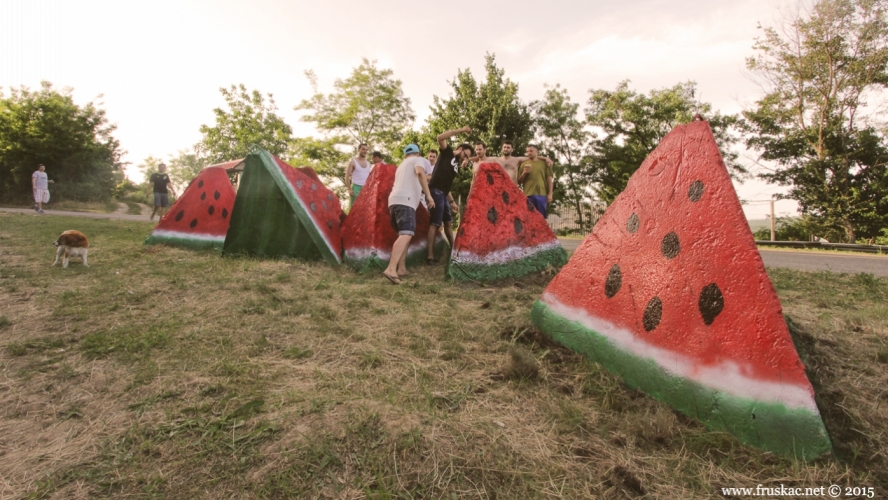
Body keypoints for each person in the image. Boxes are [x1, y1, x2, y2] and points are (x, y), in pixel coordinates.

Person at [384, 144, 435, 284]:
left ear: (405, 154)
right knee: (406, 234)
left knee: (403, 235)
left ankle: (401, 269)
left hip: (394, 202)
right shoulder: (417, 160)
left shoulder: (402, 165)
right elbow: (420, 173)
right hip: (405, 201)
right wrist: (429, 196)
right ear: (418, 153)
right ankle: (391, 269)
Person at [426, 126, 473, 264]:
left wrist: (452, 202)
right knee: (435, 223)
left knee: (448, 223)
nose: (465, 158)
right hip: (435, 191)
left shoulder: (456, 166)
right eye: (466, 155)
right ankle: (430, 257)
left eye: (468, 157)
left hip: (443, 194)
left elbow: (447, 185)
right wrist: (462, 130)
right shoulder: (448, 153)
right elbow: (440, 138)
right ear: (460, 149)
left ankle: (454, 253)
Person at [466, 140, 553, 183]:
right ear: (502, 149)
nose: (506, 149)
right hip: (500, 189)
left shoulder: (517, 159)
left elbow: (532, 156)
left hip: (513, 188)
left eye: (508, 147)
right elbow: (480, 157)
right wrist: (468, 159)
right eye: (504, 147)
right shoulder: (496, 160)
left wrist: (546, 158)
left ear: (512, 149)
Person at [518, 144, 554, 218]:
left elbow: (549, 179)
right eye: (527, 151)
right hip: (527, 195)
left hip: (541, 194)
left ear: (537, 151)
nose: (529, 153)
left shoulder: (544, 163)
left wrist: (550, 194)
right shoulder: (523, 164)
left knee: (541, 218)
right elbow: (519, 181)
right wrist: (524, 173)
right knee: (529, 218)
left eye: (531, 151)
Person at [345, 143, 372, 208]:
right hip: (356, 188)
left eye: (366, 150)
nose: (365, 151)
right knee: (354, 209)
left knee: (364, 209)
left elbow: (370, 178)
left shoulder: (369, 164)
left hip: (366, 189)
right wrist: (349, 189)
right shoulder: (353, 162)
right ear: (359, 150)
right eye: (363, 149)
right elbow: (347, 176)